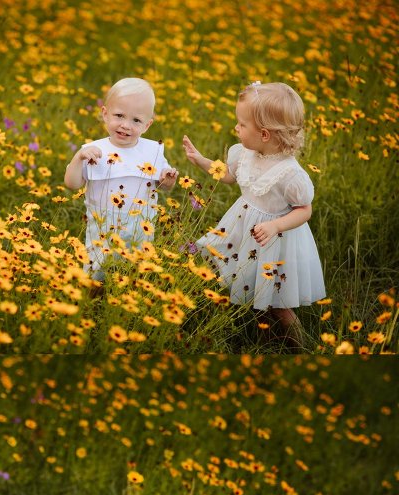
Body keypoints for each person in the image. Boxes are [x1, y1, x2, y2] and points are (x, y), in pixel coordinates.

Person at [182, 81, 326, 350]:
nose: (236, 128)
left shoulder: (290, 174)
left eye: (242, 124)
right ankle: (264, 339)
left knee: (279, 305)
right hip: (244, 231)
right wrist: (200, 159)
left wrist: (275, 226)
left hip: (275, 242)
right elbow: (227, 175)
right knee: (253, 292)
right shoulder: (245, 154)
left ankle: (302, 347)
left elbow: (305, 210)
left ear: (264, 134)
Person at [65, 78, 179, 282]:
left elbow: (164, 187)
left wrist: (167, 180)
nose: (126, 125)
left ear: (147, 125)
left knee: (135, 268)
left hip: (140, 226)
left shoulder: (151, 152)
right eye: (119, 115)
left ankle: (127, 298)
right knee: (96, 267)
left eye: (136, 120)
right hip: (103, 225)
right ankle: (92, 300)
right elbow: (72, 184)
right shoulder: (94, 150)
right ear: (105, 114)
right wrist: (78, 158)